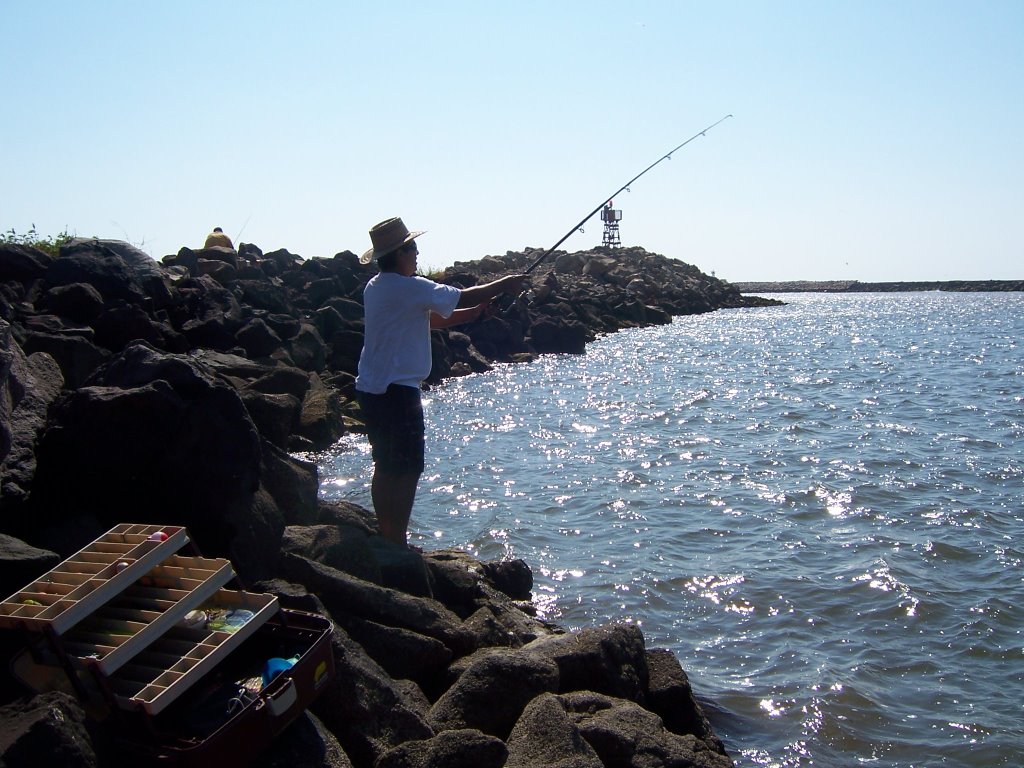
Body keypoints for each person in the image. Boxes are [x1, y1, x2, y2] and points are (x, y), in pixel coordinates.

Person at [355, 216, 527, 546]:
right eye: (414, 248)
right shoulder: (409, 286)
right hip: (398, 392)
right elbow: (461, 296)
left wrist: (476, 314)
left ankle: (386, 532)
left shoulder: (377, 287)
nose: (418, 254)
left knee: (385, 464)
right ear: (401, 253)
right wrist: (505, 283)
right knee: (407, 469)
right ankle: (397, 540)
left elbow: (430, 319)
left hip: (371, 389)